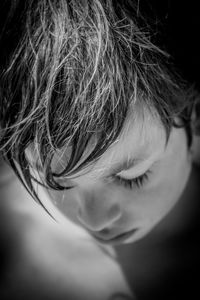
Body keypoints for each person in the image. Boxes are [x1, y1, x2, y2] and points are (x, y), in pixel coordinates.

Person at [0, 1, 199, 299]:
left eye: (132, 177)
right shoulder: (11, 235)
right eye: (54, 182)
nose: (94, 220)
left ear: (193, 118)